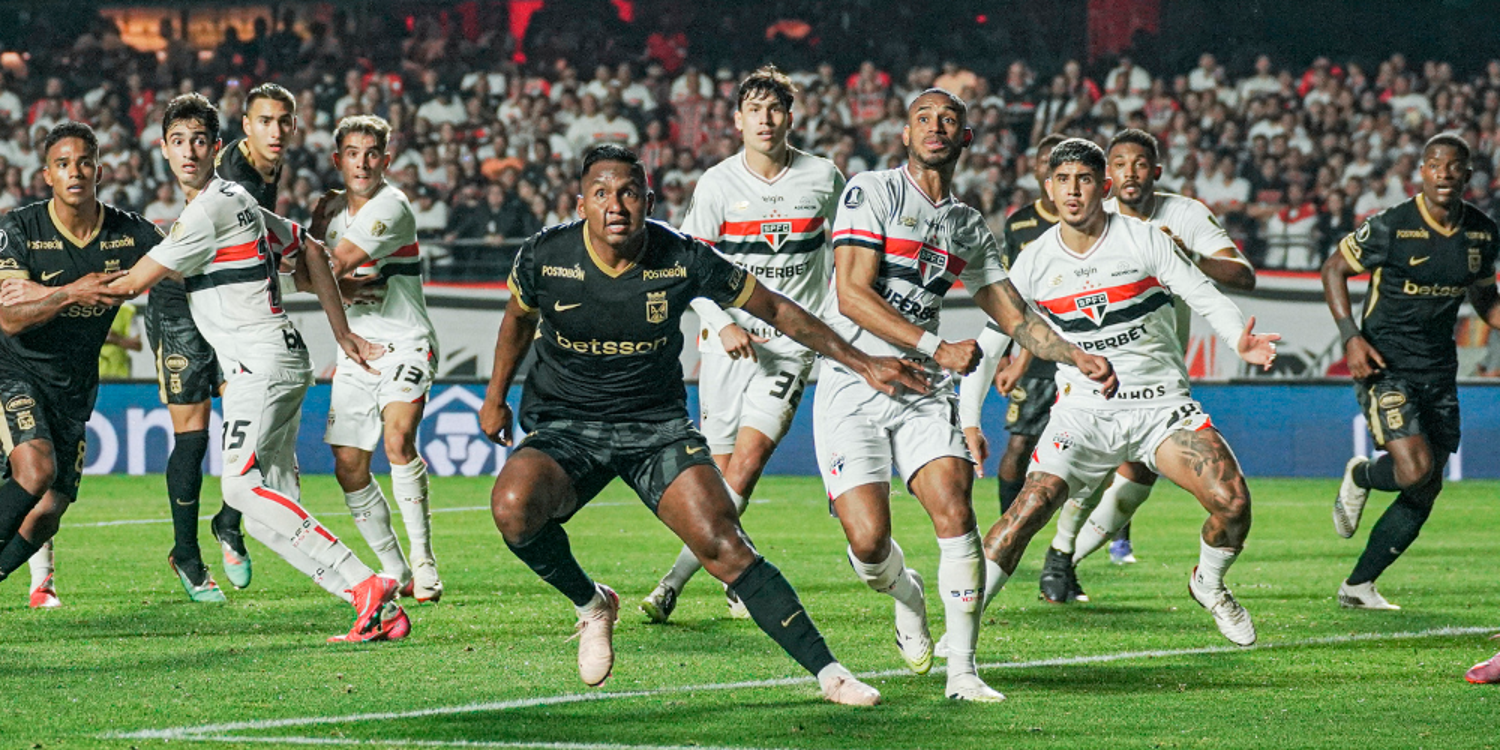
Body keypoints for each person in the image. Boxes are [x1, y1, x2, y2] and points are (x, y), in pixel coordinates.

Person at [478, 143, 927, 704]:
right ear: (581, 203)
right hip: (567, 423)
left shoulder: (683, 256)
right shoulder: (545, 255)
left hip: (656, 428)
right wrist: (494, 396)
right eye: (601, 193)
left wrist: (861, 361)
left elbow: (776, 309)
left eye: (628, 193)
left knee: (725, 546)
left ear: (648, 201)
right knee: (513, 508)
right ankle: (592, 604)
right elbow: (517, 319)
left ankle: (831, 674)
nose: (615, 205)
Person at [818, 92, 1116, 702]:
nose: (935, 127)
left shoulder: (967, 226)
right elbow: (851, 295)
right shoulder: (872, 191)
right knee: (869, 544)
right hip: (855, 379)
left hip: (922, 389)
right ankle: (907, 595)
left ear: (966, 137)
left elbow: (1015, 316)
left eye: (948, 120)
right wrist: (937, 344)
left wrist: (1074, 354)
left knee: (956, 511)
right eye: (923, 118)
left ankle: (963, 672)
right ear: (906, 134)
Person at [107, 93, 405, 642]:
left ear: (217, 148)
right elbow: (309, 247)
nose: (189, 152)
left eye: (199, 141)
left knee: (241, 489)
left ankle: (368, 582)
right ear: (164, 151)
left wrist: (49, 292)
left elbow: (129, 285)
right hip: (281, 359)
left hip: (259, 367)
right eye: (179, 142)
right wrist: (341, 331)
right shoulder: (238, 196)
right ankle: (372, 605)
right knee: (270, 513)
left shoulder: (207, 210)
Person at [974, 138, 1279, 651]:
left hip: (1161, 406)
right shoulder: (1034, 259)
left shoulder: (1147, 237)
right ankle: (960, 633)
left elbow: (1203, 292)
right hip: (1084, 412)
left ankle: (1207, 583)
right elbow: (992, 340)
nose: (1074, 191)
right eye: (1063, 181)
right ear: (1049, 188)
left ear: (1105, 187)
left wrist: (1238, 340)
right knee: (1028, 510)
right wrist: (968, 420)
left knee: (1233, 504)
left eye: (1085, 180)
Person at [640, 65, 845, 623]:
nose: (765, 119)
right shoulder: (717, 184)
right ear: (737, 121)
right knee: (721, 481)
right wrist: (721, 321)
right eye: (754, 109)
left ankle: (671, 583)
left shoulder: (823, 177)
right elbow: (686, 271)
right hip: (725, 345)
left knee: (746, 468)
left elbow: (850, 254)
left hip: (789, 347)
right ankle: (739, 572)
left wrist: (831, 320)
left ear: (790, 117)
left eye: (774, 108)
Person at [1035, 128, 1258, 603]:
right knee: (1093, 472)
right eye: (1119, 164)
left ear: (1155, 171)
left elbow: (1243, 275)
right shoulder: (1093, 215)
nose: (1129, 173)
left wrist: (1186, 255)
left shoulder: (1185, 214)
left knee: (1138, 476)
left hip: (1159, 371)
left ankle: (1063, 558)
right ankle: (1060, 555)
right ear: (1107, 176)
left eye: (1139, 164)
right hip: (1096, 369)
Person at [1323, 133, 1500, 611]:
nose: (1444, 173)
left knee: (1427, 485)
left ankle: (1358, 586)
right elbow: (1334, 268)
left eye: (1454, 166)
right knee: (1414, 468)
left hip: (1439, 369)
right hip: (1385, 364)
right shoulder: (1393, 225)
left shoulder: (1482, 233)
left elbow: (1486, 300)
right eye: (1435, 164)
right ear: (1421, 172)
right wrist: (1350, 336)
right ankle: (1362, 475)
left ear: (1467, 175)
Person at [147, 82, 298, 599]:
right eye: (265, 121)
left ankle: (229, 521)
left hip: (226, 305)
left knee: (252, 422)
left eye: (283, 122)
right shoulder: (232, 174)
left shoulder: (263, 173)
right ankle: (187, 554)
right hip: (182, 303)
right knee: (194, 436)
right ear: (245, 129)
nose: (275, 132)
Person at [0, 122, 161, 603]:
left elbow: (184, 260)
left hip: (73, 387)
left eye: (84, 162)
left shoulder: (130, 234)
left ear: (99, 170)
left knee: (49, 510)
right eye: (63, 164)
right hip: (14, 369)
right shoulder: (18, 230)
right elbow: (8, 318)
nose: (75, 172)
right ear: (46, 175)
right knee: (35, 469)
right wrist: (72, 292)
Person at [310, 115, 443, 603]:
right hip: (356, 351)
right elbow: (314, 268)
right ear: (337, 160)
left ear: (386, 160)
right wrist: (331, 280)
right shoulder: (331, 212)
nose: (362, 163)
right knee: (348, 466)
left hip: (406, 342)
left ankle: (425, 563)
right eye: (353, 153)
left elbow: (328, 263)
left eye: (371, 154)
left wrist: (317, 269)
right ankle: (395, 569)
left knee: (397, 439)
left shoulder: (392, 205)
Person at [958, 133, 1068, 521]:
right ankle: (1007, 525)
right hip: (1033, 350)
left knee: (1106, 453)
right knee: (1020, 445)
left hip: (1079, 349)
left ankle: (1115, 538)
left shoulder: (1094, 223)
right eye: (1044, 162)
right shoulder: (1021, 223)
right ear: (1036, 171)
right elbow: (1009, 297)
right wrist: (1007, 357)